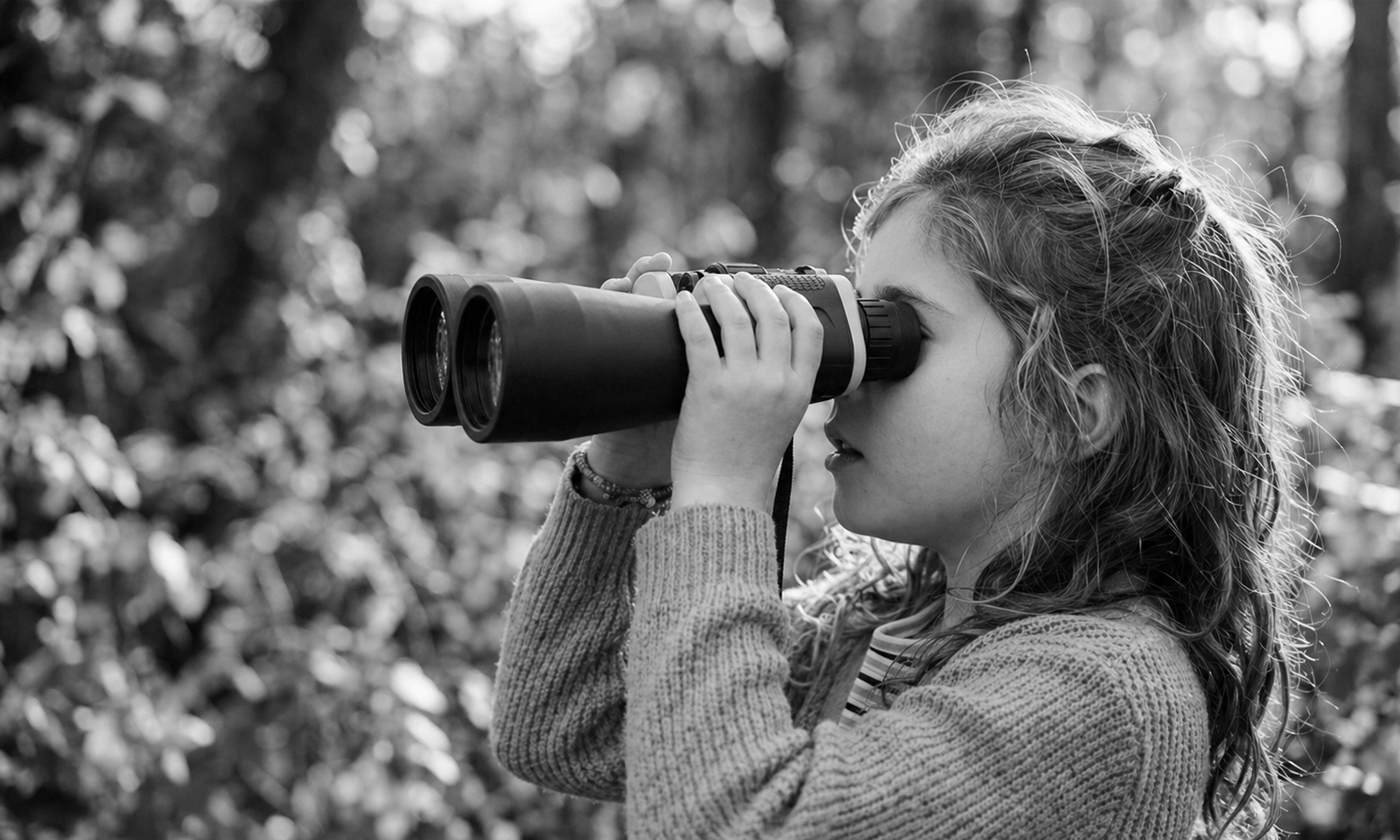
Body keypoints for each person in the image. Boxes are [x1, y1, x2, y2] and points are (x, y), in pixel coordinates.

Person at [489, 82, 1309, 840]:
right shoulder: (886, 623)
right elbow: (567, 723)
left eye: (896, 336)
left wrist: (722, 495)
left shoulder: (1106, 691)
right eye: (855, 322)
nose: (845, 381)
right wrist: (630, 464)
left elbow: (737, 823)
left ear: (1071, 410)